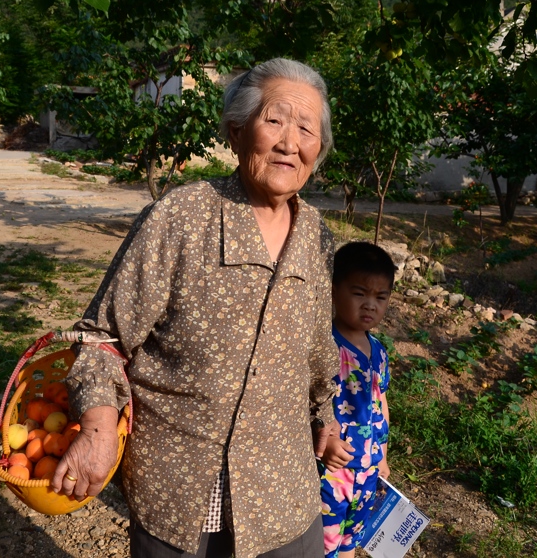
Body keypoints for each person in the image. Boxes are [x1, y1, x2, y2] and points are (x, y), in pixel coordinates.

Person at [51, 58, 342, 558]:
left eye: (307, 129)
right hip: (181, 492)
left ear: (319, 149)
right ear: (236, 133)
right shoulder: (183, 216)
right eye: (274, 120)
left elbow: (317, 352)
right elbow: (102, 338)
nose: (291, 142)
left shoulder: (317, 236)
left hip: (284, 496)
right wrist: (98, 428)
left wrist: (326, 416)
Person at [318, 242, 395, 558]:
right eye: (359, 293)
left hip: (367, 472)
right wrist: (326, 442)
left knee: (350, 541)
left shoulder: (378, 351)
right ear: (333, 290)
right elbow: (309, 402)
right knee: (323, 546)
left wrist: (385, 456)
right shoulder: (324, 347)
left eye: (380, 297)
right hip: (330, 474)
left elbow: (381, 402)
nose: (370, 305)